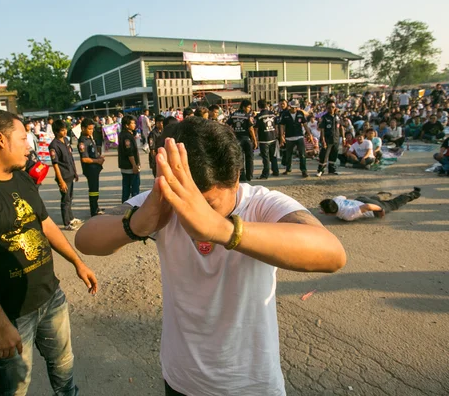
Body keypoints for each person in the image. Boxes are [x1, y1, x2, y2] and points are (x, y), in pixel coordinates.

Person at [74, 117, 346, 396]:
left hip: (250, 383)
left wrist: (221, 229)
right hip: (181, 380)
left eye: (208, 204)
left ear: (236, 177)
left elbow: (332, 254)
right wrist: (137, 224)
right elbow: (85, 238)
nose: (192, 214)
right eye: (186, 203)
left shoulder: (261, 203)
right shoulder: (162, 201)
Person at [0, 110, 98, 396]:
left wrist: (77, 262)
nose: (29, 145)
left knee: (63, 364)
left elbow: (45, 225)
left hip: (50, 296)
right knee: (16, 384)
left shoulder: (21, 178)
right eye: (23, 138)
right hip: (8, 314)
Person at [50, 120, 82, 231]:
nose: (65, 132)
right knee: (65, 199)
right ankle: (67, 222)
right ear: (56, 131)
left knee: (70, 198)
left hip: (70, 174)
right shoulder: (54, 145)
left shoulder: (66, 140)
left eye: (65, 129)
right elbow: (55, 165)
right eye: (62, 130)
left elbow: (70, 158)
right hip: (63, 176)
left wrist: (75, 172)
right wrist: (61, 181)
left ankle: (71, 217)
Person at [320, 187, 421, 221]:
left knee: (393, 205)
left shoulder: (347, 215)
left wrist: (381, 210)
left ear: (329, 213)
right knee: (373, 200)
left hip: (371, 208)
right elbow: (343, 197)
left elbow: (367, 207)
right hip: (361, 199)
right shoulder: (335, 200)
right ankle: (378, 197)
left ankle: (413, 194)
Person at [78, 118, 105, 217]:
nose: (91, 131)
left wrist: (99, 157)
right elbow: (84, 159)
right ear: (83, 129)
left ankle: (96, 207)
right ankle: (93, 210)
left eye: (92, 129)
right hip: (90, 169)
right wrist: (98, 161)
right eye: (89, 129)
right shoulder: (83, 141)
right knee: (93, 190)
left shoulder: (89, 138)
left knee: (95, 189)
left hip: (95, 168)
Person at [226, 99, 257, 182]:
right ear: (244, 107)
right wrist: (255, 140)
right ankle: (249, 176)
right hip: (246, 139)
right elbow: (251, 129)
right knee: (249, 158)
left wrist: (232, 133)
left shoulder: (233, 114)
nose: (249, 109)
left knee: (240, 158)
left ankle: (242, 177)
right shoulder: (246, 116)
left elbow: (227, 125)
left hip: (237, 139)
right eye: (248, 107)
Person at [280, 100, 309, 178]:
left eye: (295, 107)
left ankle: (304, 170)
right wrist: (282, 136)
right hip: (289, 137)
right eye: (292, 107)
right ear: (290, 106)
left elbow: (305, 124)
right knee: (288, 155)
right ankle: (288, 169)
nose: (294, 109)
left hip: (299, 136)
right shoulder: (285, 114)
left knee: (302, 154)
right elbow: (282, 125)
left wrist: (309, 134)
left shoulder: (300, 113)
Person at [118, 115, 141, 203]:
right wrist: (134, 165)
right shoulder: (127, 136)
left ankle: (124, 206)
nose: (134, 124)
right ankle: (134, 206)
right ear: (126, 125)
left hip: (124, 166)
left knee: (126, 188)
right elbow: (129, 152)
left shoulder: (123, 134)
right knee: (134, 188)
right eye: (132, 123)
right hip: (130, 166)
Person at [316, 100, 342, 177]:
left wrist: (343, 138)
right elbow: (322, 130)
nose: (331, 109)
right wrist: (323, 140)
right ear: (326, 108)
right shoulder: (324, 117)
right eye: (329, 107)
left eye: (333, 107)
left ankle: (332, 170)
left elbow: (341, 127)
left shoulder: (337, 117)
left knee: (333, 155)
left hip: (336, 139)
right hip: (327, 140)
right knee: (324, 155)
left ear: (335, 107)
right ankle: (320, 170)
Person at [254, 99, 279, 179]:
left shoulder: (259, 116)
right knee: (273, 156)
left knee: (265, 158)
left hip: (263, 139)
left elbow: (256, 128)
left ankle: (265, 174)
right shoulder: (272, 114)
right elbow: (276, 126)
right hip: (273, 137)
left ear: (259, 106)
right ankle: (276, 171)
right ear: (266, 105)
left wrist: (255, 139)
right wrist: (277, 135)